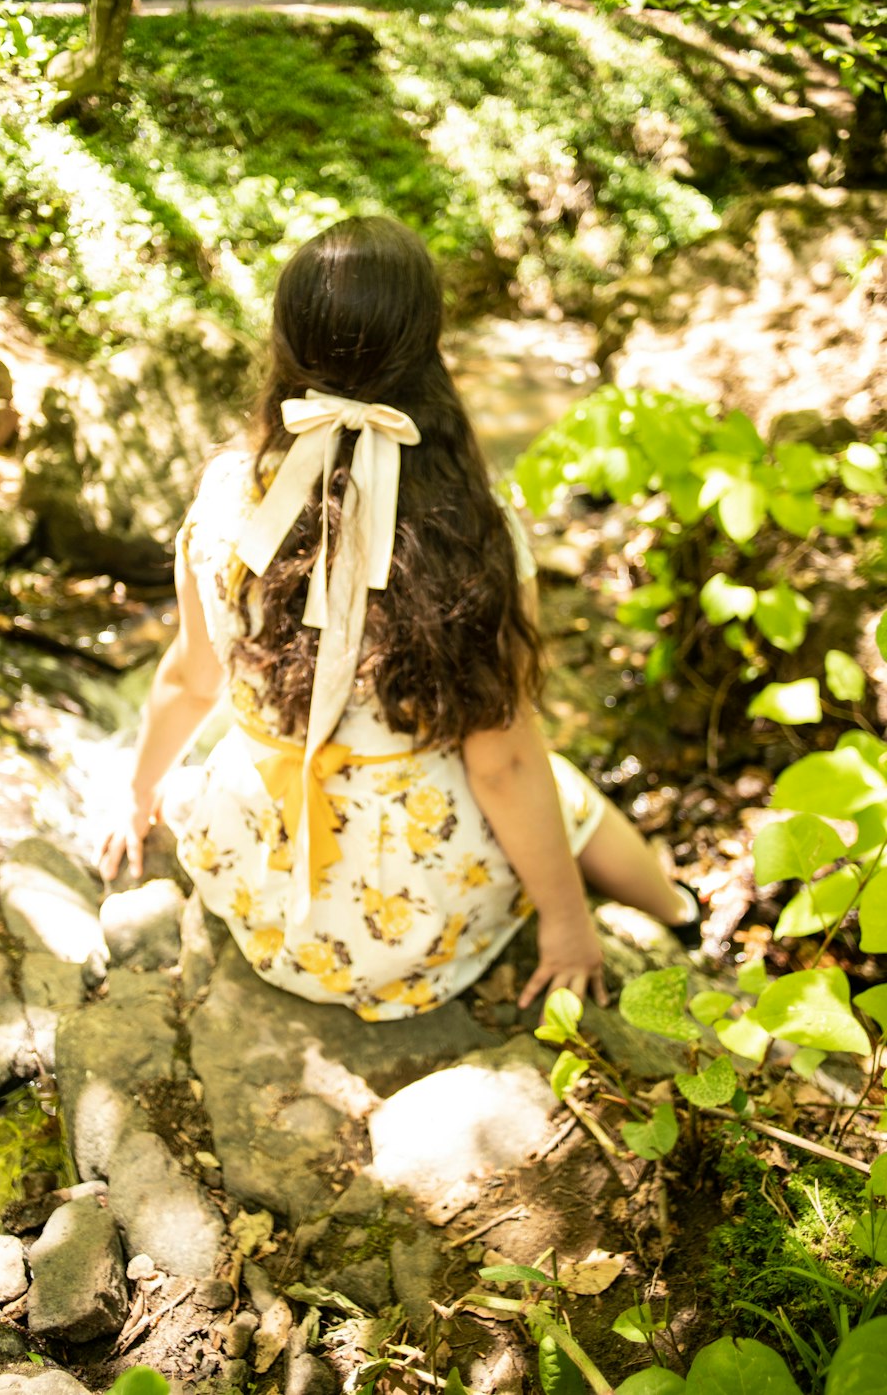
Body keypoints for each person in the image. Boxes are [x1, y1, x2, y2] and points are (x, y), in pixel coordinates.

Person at [99, 217, 697, 1019]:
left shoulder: (224, 499)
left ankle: (676, 921)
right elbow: (503, 764)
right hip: (404, 915)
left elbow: (190, 675)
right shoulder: (469, 529)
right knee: (559, 783)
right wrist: (566, 924)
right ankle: (678, 920)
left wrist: (138, 796)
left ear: (283, 345)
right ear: (427, 351)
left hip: (264, 881)